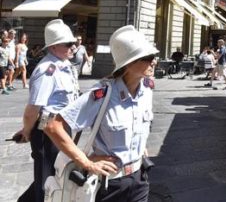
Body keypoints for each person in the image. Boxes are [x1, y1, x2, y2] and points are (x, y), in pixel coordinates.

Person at [44, 25, 158, 202]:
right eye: (148, 57)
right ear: (129, 63)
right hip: (110, 184)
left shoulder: (147, 90)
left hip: (139, 179)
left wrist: (138, 145)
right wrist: (86, 162)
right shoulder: (103, 94)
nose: (154, 62)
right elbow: (53, 126)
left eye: (154, 57)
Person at [15, 19, 78, 202]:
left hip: (63, 127)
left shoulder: (65, 66)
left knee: (55, 173)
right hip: (47, 130)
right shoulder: (46, 70)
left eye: (73, 43)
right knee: (46, 178)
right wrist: (27, 131)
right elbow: (33, 109)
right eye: (68, 44)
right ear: (53, 47)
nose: (73, 47)